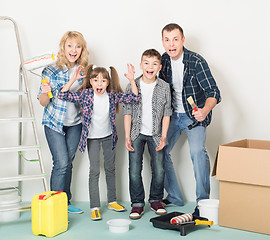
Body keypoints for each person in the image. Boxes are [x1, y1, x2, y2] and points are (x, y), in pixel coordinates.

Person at [58, 64, 140, 220]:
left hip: (109, 136)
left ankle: (112, 201)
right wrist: (73, 79)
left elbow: (135, 98)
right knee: (94, 171)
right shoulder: (85, 94)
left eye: (103, 80)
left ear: (108, 83)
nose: (99, 84)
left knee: (110, 169)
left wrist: (131, 80)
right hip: (92, 138)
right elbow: (62, 95)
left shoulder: (112, 95)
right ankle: (94, 206)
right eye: (95, 80)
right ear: (91, 81)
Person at [159, 23, 221, 215]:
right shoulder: (163, 61)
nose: (171, 44)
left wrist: (204, 110)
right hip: (172, 116)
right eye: (167, 40)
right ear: (163, 42)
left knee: (197, 151)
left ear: (183, 40)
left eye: (175, 39)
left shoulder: (196, 61)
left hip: (194, 116)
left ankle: (203, 202)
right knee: (159, 151)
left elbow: (214, 92)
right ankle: (175, 197)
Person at [38, 31, 89, 214]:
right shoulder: (50, 70)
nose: (73, 50)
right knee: (61, 163)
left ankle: (65, 201)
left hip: (75, 123)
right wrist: (45, 91)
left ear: (82, 50)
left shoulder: (84, 71)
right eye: (70, 45)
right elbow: (43, 102)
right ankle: (54, 206)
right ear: (63, 47)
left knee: (68, 163)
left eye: (77, 46)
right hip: (54, 123)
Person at [123, 49, 172, 220]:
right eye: (146, 63)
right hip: (137, 133)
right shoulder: (132, 85)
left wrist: (164, 136)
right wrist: (128, 136)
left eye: (154, 64)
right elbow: (127, 112)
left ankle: (156, 200)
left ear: (159, 66)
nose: (150, 67)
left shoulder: (164, 87)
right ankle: (137, 204)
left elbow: (167, 113)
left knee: (159, 169)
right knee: (134, 170)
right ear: (141, 65)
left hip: (156, 134)